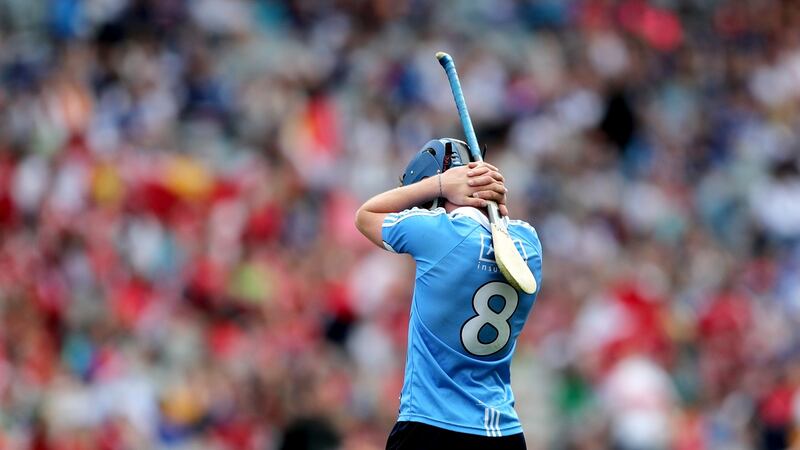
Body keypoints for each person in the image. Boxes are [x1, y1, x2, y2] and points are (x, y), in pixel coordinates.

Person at [355, 138, 543, 450]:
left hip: (429, 428)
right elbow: (500, 230)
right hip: (503, 433)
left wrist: (440, 184)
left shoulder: (436, 233)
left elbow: (365, 215)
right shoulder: (529, 243)